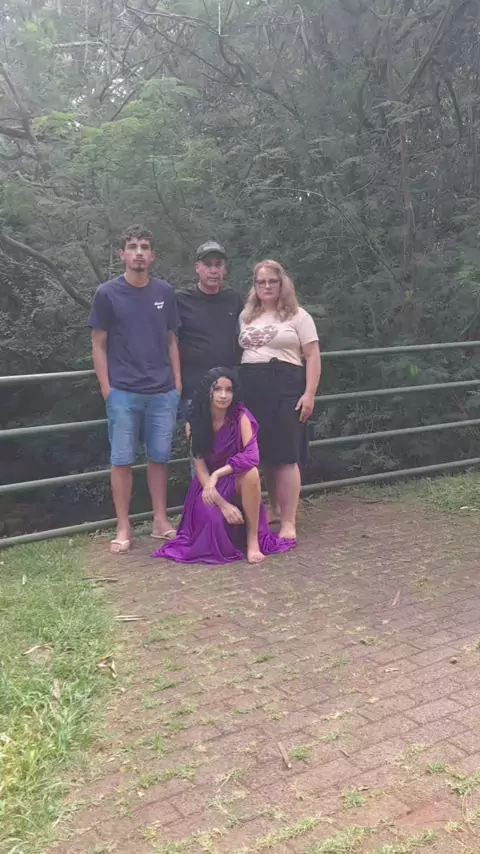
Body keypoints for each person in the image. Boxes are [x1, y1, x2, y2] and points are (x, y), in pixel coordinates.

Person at [88, 225, 182, 554]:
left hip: (162, 391)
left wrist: (177, 383)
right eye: (132, 246)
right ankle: (123, 525)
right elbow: (98, 344)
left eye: (144, 246)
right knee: (122, 460)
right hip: (123, 392)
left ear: (152, 255)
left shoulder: (164, 292)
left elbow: (171, 339)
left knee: (159, 457)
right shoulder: (107, 294)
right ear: (122, 254)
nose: (139, 252)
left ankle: (160, 520)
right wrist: (107, 388)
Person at [152, 368, 296, 565]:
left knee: (252, 473)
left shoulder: (241, 416)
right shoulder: (194, 423)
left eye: (229, 390)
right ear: (208, 391)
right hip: (207, 485)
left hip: (234, 478)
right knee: (213, 521)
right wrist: (223, 504)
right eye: (217, 389)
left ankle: (252, 541)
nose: (223, 395)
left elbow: (252, 456)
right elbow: (200, 469)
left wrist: (218, 474)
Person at [239, 259, 321, 541]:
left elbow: (312, 355)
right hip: (251, 386)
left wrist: (309, 393)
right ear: (254, 286)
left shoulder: (298, 316)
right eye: (260, 282)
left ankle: (289, 520)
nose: (266, 286)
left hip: (285, 384)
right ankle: (273, 509)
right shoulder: (246, 316)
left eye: (272, 281)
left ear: (282, 283)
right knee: (263, 452)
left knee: (286, 454)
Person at [176, 241, 244, 418]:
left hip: (227, 389)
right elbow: (169, 341)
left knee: (230, 435)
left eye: (218, 265)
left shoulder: (233, 299)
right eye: (207, 265)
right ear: (197, 268)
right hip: (193, 389)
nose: (213, 270)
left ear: (224, 269)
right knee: (197, 435)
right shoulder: (181, 299)